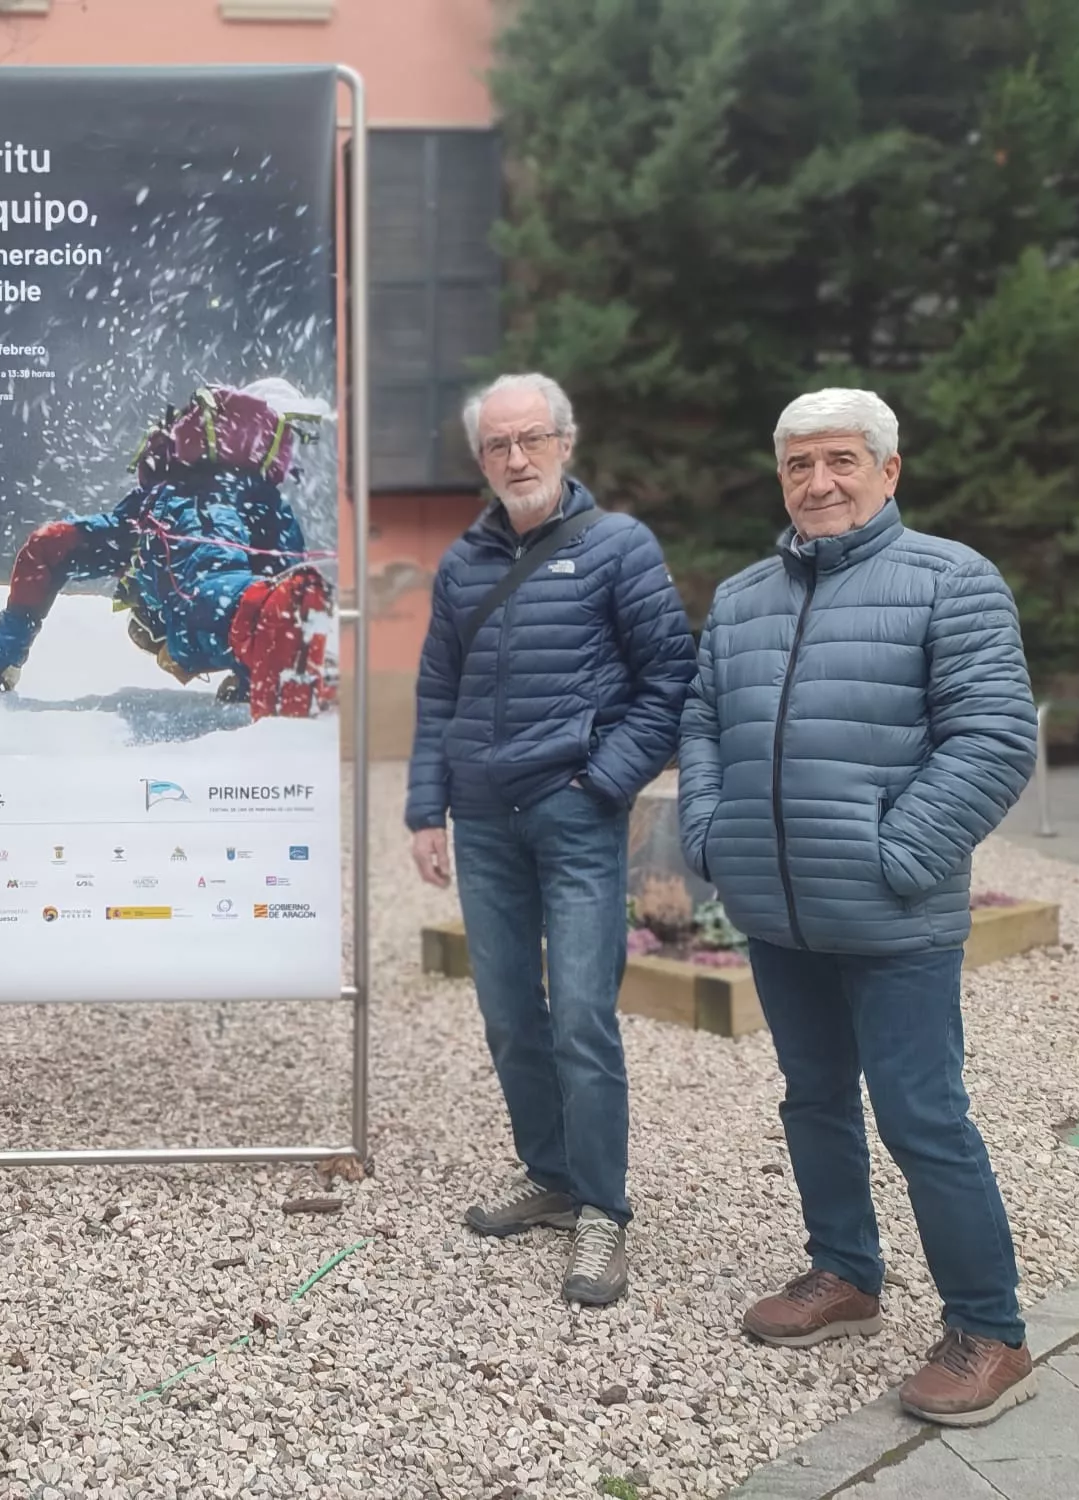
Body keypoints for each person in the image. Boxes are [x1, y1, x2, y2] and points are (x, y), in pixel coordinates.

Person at [678, 388, 1039, 1427]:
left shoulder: (949, 582)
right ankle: (843, 1273)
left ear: (888, 471)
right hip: (777, 912)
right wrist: (711, 834)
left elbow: (991, 740)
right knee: (811, 1099)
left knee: (922, 1118)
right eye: (797, 465)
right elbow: (701, 723)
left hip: (895, 918)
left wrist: (895, 855)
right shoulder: (743, 597)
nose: (817, 482)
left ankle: (988, 1329)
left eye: (840, 460)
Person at [406, 373, 695, 1306]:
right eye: (498, 446)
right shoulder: (461, 565)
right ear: (481, 458)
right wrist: (425, 810)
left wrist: (604, 782)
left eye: (532, 439)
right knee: (506, 1013)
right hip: (485, 823)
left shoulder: (619, 548)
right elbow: (437, 695)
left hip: (575, 816)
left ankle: (603, 1209)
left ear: (566, 442)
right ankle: (552, 1173)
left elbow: (670, 683)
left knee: (580, 1013)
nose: (516, 458)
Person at [0, 378, 338, 719]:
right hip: (221, 613)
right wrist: (250, 671)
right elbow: (277, 583)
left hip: (190, 591)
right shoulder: (259, 503)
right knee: (245, 601)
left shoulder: (165, 495)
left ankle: (288, 661)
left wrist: (2, 658)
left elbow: (49, 549)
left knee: (229, 600)